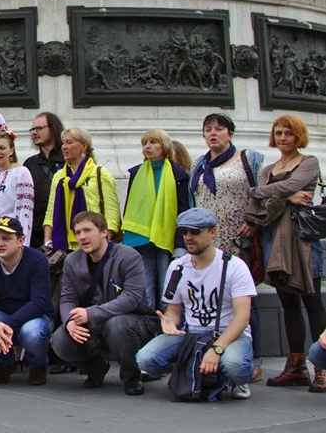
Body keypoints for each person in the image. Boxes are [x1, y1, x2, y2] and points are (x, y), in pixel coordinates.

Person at [136, 208, 256, 400]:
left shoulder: (234, 266)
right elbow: (173, 311)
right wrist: (169, 322)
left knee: (235, 366)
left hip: (229, 334)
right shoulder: (177, 267)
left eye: (195, 231)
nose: (188, 237)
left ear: (212, 232)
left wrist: (217, 349)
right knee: (145, 359)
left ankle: (236, 378)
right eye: (184, 232)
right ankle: (189, 369)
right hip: (191, 334)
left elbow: (242, 318)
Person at [250, 115, 326, 392]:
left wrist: (266, 192)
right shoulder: (268, 168)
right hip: (274, 237)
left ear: (298, 136)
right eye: (279, 133)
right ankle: (296, 367)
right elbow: (262, 200)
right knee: (288, 302)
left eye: (288, 133)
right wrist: (285, 196)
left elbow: (270, 191)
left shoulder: (309, 162)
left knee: (312, 300)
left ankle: (323, 367)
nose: (283, 138)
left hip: (302, 239)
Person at [189, 113, 264, 381]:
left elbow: (262, 192)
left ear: (230, 133)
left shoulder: (247, 159)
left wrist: (253, 221)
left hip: (238, 240)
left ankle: (252, 359)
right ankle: (213, 352)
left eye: (219, 129)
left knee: (244, 299)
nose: (213, 133)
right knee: (213, 299)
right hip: (208, 243)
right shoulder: (199, 164)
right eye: (208, 129)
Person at [50, 212, 158, 395]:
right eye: (78, 232)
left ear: (104, 232)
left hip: (133, 322)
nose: (82, 236)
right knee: (59, 339)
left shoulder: (129, 256)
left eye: (87, 230)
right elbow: (67, 298)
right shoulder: (72, 261)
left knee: (117, 324)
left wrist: (90, 313)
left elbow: (131, 298)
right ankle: (96, 369)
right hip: (93, 323)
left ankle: (132, 377)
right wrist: (69, 322)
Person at [0, 217, 54, 385]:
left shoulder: (37, 260)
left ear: (21, 241)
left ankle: (37, 365)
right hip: (1, 314)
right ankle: (6, 363)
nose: (0, 243)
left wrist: (8, 325)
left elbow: (39, 303)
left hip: (35, 315)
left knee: (32, 333)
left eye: (6, 238)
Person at [122, 129, 190, 310]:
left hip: (166, 238)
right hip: (140, 238)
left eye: (153, 142)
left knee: (167, 288)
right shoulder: (136, 173)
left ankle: (167, 323)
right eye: (145, 143)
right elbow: (130, 206)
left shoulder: (178, 175)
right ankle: (149, 322)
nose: (148, 147)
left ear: (164, 145)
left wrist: (181, 244)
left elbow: (183, 211)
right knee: (146, 288)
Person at [44, 127, 121, 251]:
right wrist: (47, 241)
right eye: (63, 143)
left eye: (69, 143)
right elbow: (51, 212)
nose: (64, 147)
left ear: (84, 146)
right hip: (64, 246)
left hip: (96, 244)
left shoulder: (100, 173)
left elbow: (112, 212)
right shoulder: (59, 176)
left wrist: (105, 241)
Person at [0, 132, 35, 248]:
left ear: (11, 150)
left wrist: (22, 241)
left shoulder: (21, 172)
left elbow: (25, 209)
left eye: (2, 148)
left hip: (10, 228)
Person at [23, 112, 64, 251]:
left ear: (53, 128)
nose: (35, 132)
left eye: (39, 128)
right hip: (35, 234)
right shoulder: (30, 163)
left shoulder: (67, 160)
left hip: (62, 228)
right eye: (33, 129)